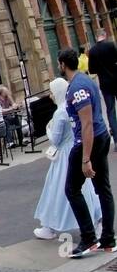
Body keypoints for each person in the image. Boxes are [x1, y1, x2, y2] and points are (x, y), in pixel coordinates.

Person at [58, 48, 116, 257]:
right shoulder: (85, 81)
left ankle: (89, 237)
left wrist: (85, 159)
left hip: (88, 142)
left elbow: (87, 124)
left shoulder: (77, 88)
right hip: (100, 138)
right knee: (103, 189)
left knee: (72, 189)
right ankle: (108, 239)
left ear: (63, 64)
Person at [34, 76, 102, 240]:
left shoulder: (59, 112)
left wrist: (48, 128)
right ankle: (97, 221)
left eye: (51, 92)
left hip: (64, 155)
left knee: (55, 189)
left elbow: (55, 139)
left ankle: (49, 226)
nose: (50, 95)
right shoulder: (70, 106)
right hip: (75, 149)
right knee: (86, 187)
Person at [85, 32, 117, 134]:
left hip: (105, 84)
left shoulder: (92, 51)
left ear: (96, 37)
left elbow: (91, 70)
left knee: (110, 110)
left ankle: (116, 139)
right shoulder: (111, 45)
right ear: (104, 35)